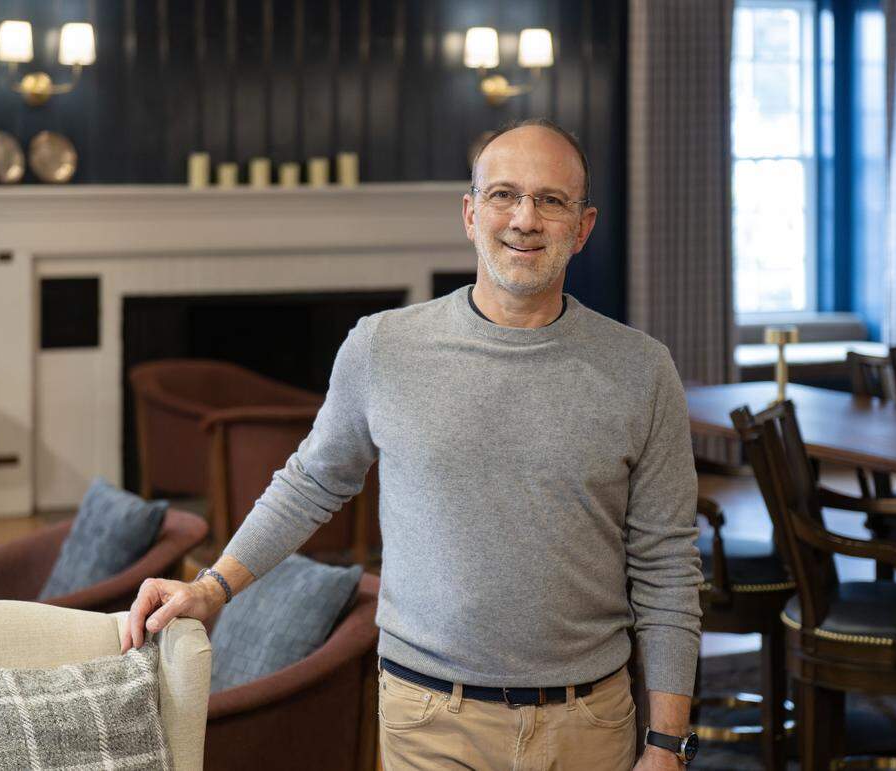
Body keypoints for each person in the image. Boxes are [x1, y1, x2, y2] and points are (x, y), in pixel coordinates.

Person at [123, 119, 703, 770]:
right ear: (470, 212)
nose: (524, 218)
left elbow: (667, 565)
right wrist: (210, 588)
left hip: (590, 724)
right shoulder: (383, 346)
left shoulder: (642, 369)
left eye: (551, 200)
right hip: (429, 720)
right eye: (504, 194)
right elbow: (312, 483)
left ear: (584, 226)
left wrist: (667, 741)